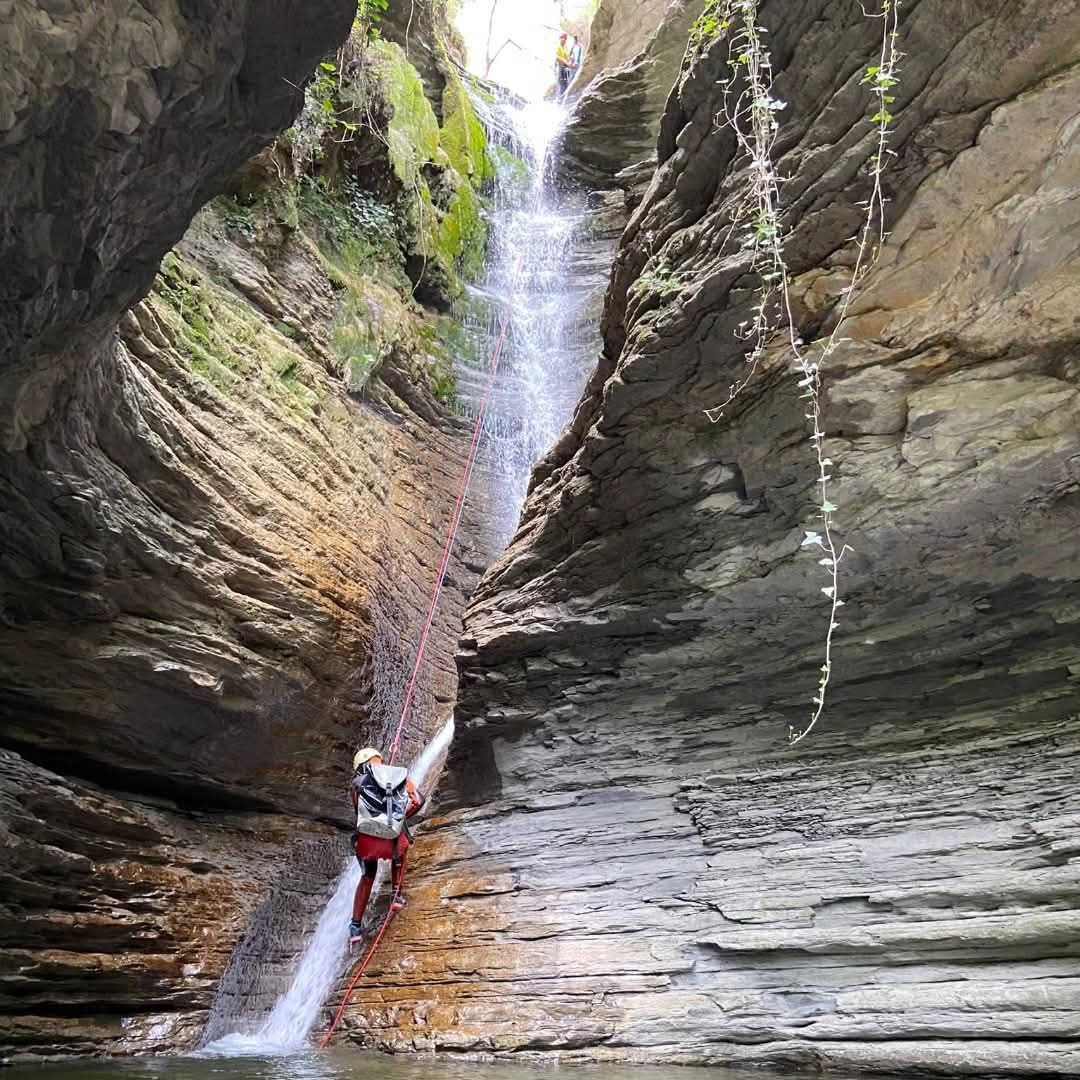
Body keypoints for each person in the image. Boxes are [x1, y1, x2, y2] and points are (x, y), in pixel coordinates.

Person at [348, 747, 426, 945]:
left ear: (360, 766)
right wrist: (398, 820)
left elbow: (359, 811)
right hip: (392, 840)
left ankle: (355, 927)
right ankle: (396, 896)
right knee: (400, 851)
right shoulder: (399, 777)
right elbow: (418, 800)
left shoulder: (357, 783)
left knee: (367, 876)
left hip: (367, 841)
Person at [555, 32, 573, 101]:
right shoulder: (558, 47)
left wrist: (570, 62)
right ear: (560, 39)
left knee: (566, 83)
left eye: (565, 38)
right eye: (562, 38)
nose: (563, 39)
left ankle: (564, 99)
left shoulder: (565, 47)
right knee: (562, 83)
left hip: (566, 68)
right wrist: (567, 63)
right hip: (560, 67)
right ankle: (559, 100)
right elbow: (558, 57)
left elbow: (568, 57)